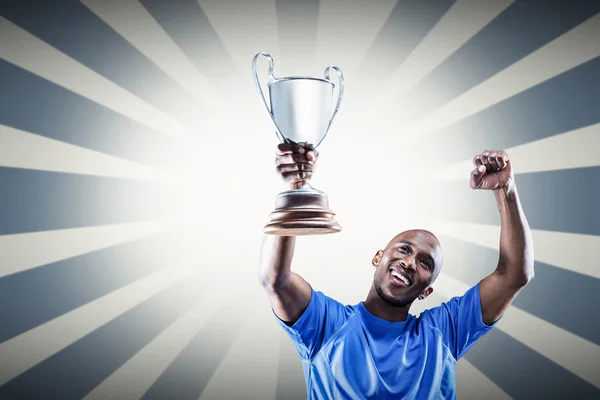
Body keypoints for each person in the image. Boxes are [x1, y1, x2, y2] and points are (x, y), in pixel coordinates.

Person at [258, 142, 534, 399]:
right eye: (404, 249)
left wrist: (506, 191)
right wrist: (294, 189)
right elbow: (276, 279)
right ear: (378, 257)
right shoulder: (328, 323)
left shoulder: (443, 332)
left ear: (427, 291)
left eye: (426, 263)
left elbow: (514, 275)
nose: (410, 262)